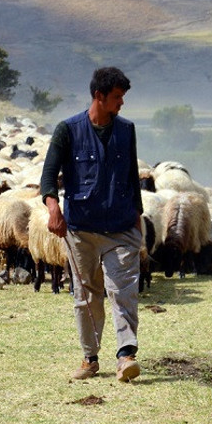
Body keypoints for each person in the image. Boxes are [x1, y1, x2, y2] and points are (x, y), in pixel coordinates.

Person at [40, 67, 144, 381]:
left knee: (122, 291)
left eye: (122, 97)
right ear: (98, 96)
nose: (121, 103)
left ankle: (126, 355)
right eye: (116, 97)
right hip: (81, 229)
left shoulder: (127, 130)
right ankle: (90, 358)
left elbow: (131, 179)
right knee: (86, 295)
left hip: (121, 228)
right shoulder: (68, 130)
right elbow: (48, 176)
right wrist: (52, 207)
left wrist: (138, 225)